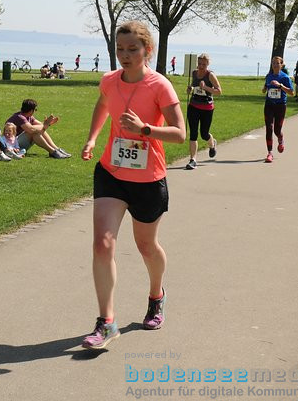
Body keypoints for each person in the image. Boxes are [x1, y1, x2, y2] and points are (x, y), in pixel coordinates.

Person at [79, 21, 185, 349]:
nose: (125, 55)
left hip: (148, 179)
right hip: (111, 172)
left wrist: (145, 130)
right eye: (120, 49)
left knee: (146, 247)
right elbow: (103, 105)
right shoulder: (110, 80)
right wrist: (93, 138)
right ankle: (106, 322)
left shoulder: (159, 85)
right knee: (102, 244)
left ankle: (157, 295)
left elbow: (180, 133)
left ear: (147, 51)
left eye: (132, 49)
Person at [184, 53, 221, 170]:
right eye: (199, 64)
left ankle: (212, 143)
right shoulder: (194, 73)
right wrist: (190, 89)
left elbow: (219, 91)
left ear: (207, 64)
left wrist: (205, 88)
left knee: (204, 134)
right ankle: (193, 160)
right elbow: (192, 87)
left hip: (207, 108)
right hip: (193, 106)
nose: (201, 66)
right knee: (193, 133)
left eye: (204, 64)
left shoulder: (210, 75)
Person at [5, 99, 72, 159]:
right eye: (35, 110)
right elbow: (31, 129)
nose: (35, 111)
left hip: (18, 143)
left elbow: (41, 126)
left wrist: (48, 123)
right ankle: (53, 152)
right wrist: (45, 124)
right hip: (12, 144)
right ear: (31, 110)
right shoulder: (19, 117)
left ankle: (56, 149)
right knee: (34, 132)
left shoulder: (29, 117)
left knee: (40, 131)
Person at [262, 56, 293, 163]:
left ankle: (280, 138)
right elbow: (265, 87)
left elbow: (291, 92)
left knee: (277, 130)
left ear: (281, 65)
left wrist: (280, 86)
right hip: (269, 104)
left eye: (277, 63)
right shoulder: (269, 76)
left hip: (280, 106)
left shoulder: (285, 77)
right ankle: (269, 153)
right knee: (269, 128)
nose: (275, 65)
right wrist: (265, 88)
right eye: (273, 63)